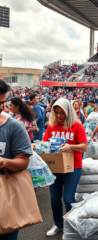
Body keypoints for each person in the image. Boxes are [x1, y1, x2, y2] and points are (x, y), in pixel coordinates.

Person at [43, 98, 88, 237]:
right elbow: (45, 142)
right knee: (55, 198)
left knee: (68, 198)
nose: (59, 116)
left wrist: (71, 146)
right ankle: (58, 224)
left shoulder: (76, 125)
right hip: (55, 166)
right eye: (56, 113)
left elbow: (84, 146)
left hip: (73, 165)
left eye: (62, 112)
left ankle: (71, 224)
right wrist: (39, 146)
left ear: (68, 111)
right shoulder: (51, 126)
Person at [0, 80, 33, 240]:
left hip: (5, 198)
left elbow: (23, 161)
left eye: (2, 102)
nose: (2, 107)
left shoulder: (14, 127)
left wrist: (4, 162)